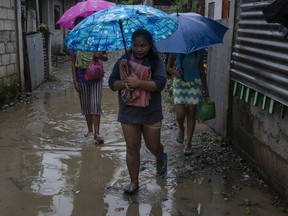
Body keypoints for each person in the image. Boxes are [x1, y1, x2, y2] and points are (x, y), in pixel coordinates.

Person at [108, 29, 168, 193]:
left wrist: (138, 82)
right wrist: (125, 84)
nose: (139, 49)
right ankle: (134, 182)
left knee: (153, 146)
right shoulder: (123, 61)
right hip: (128, 112)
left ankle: (160, 157)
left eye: (143, 45)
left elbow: (160, 84)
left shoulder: (156, 61)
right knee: (132, 147)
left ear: (150, 45)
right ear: (131, 45)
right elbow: (112, 83)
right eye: (135, 45)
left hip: (151, 112)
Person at [68, 15, 108, 144]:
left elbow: (106, 57)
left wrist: (98, 55)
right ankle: (90, 130)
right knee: (86, 107)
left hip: (96, 77)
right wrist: (75, 81)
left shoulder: (96, 39)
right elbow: (73, 63)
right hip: (81, 78)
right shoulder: (73, 42)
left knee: (95, 104)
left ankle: (97, 133)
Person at [167, 50, 209, 155]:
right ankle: (181, 128)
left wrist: (206, 89)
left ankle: (188, 143)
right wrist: (176, 72)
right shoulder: (175, 50)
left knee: (191, 114)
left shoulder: (199, 51)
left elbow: (201, 69)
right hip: (179, 84)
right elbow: (168, 67)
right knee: (180, 114)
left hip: (194, 84)